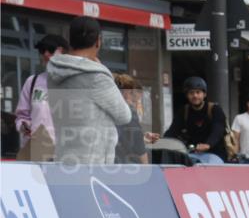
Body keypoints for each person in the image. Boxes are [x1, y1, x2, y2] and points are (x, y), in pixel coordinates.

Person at [46, 17, 131, 165]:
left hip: (63, 158)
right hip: (93, 164)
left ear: (70, 40)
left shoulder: (55, 71)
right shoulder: (97, 77)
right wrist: (103, 70)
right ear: (98, 41)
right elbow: (124, 115)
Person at [15, 33, 67, 162]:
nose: (46, 54)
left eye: (50, 50)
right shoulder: (32, 82)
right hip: (34, 152)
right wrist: (24, 126)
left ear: (63, 52)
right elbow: (22, 115)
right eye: (42, 50)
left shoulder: (74, 83)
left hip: (62, 155)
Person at [161, 76, 229, 164]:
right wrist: (161, 141)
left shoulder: (214, 109)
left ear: (204, 94)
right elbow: (173, 130)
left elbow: (218, 130)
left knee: (209, 171)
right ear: (187, 95)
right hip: (194, 153)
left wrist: (208, 144)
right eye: (191, 93)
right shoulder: (184, 111)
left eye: (198, 92)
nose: (195, 96)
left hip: (215, 154)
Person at [113, 73, 149, 164]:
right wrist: (148, 168)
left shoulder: (106, 108)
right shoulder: (129, 111)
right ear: (127, 93)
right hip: (121, 163)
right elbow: (139, 145)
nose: (135, 103)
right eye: (134, 100)